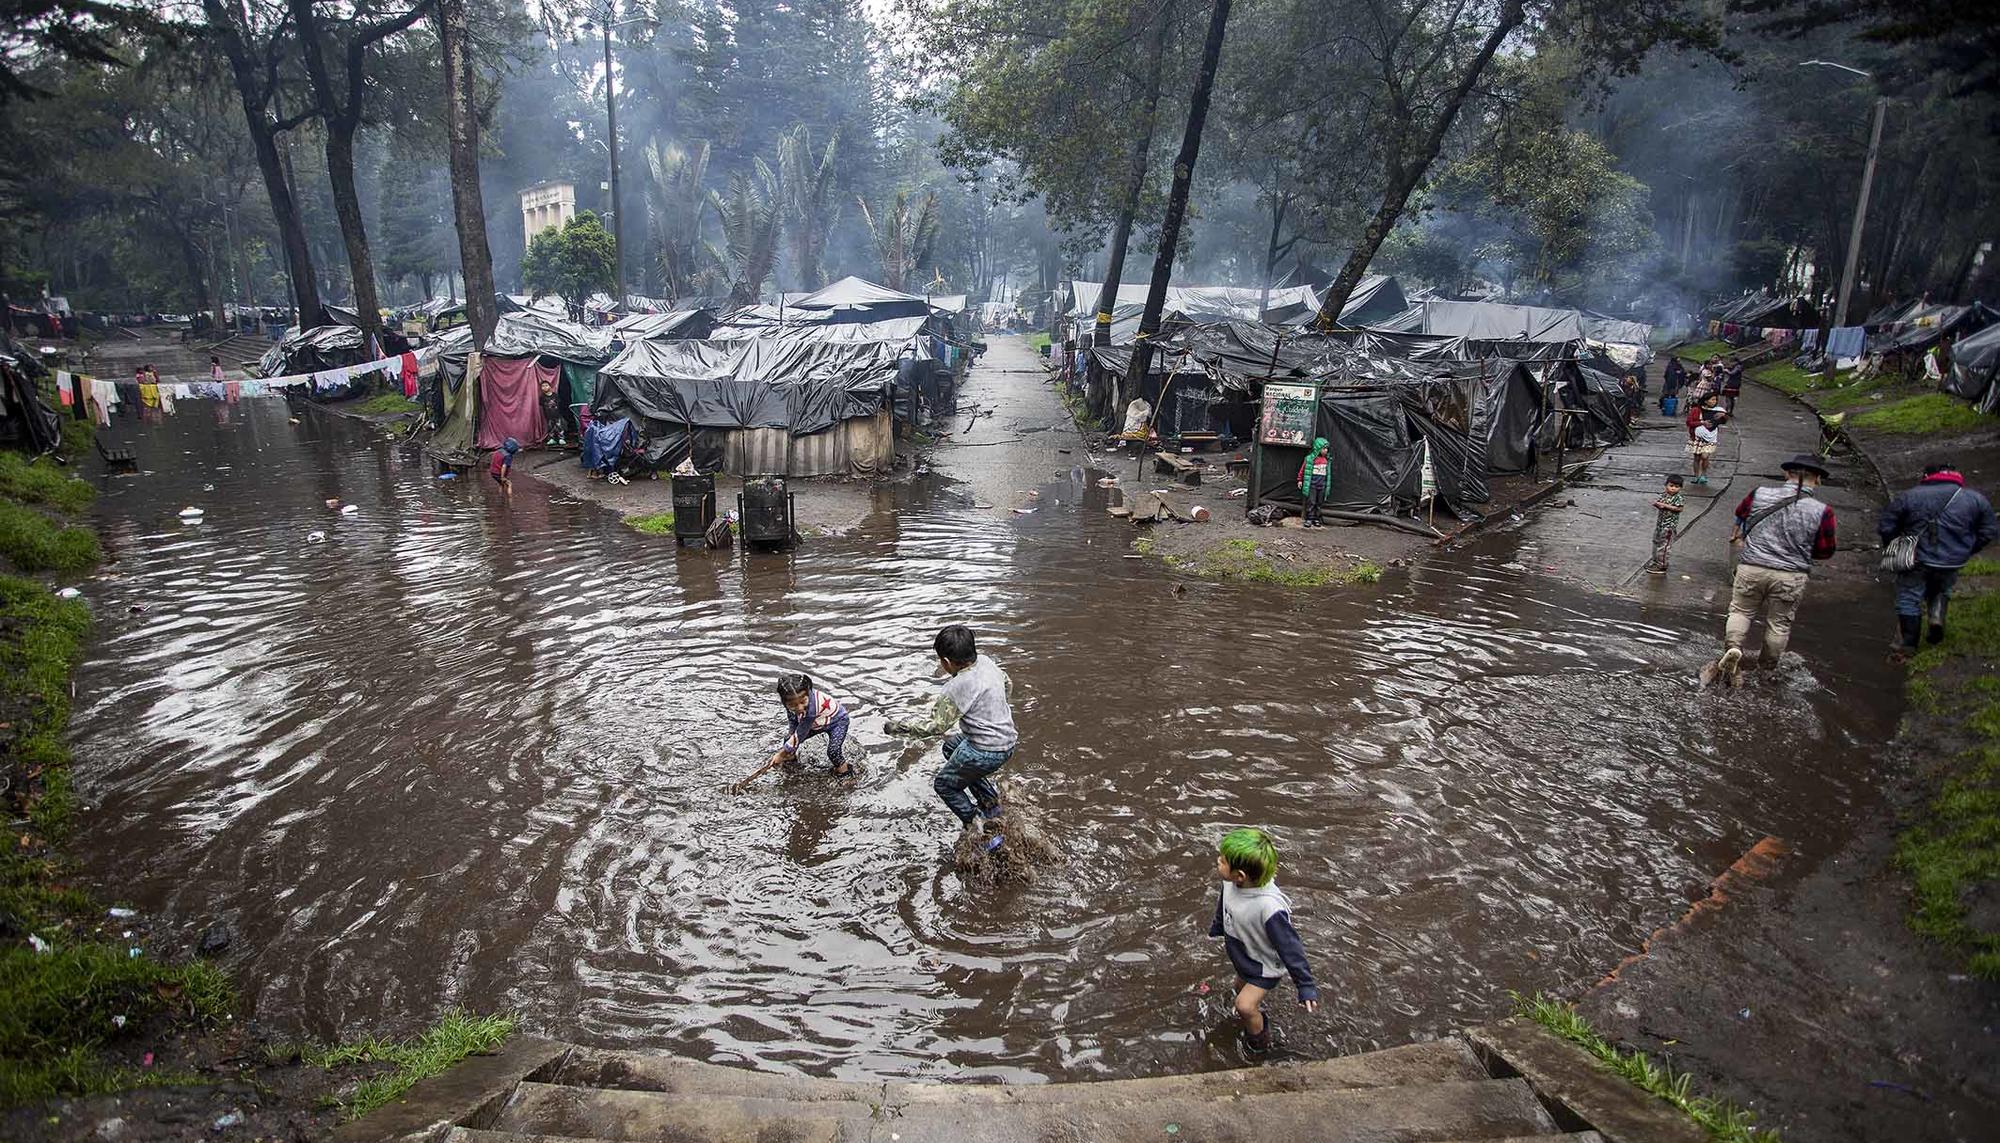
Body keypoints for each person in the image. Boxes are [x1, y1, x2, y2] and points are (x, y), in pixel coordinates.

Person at [1708, 455, 1839, 685]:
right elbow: (1825, 550)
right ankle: (1766, 670)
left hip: (1751, 567)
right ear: (1817, 480)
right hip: (1790, 574)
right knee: (1779, 623)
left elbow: (1741, 514)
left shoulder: (1759, 494)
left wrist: (1743, 534)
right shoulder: (1822, 511)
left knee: (1740, 611)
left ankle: (1733, 650)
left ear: (1786, 474)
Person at [897, 625, 1018, 850]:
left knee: (944, 785)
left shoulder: (955, 687)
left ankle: (981, 833)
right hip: (1008, 741)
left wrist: (900, 728)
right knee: (951, 748)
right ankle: (991, 805)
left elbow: (935, 727)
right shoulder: (986, 662)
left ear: (946, 662)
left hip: (986, 750)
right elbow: (1008, 683)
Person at [1208, 827, 1318, 1056]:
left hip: (1263, 966)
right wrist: (1219, 925)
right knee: (1239, 989)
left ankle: (1259, 1044)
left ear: (1240, 875)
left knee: (1244, 1005)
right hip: (1244, 955)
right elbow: (1225, 903)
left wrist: (1305, 986)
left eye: (1223, 860)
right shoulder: (1230, 883)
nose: (1217, 861)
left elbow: (1291, 947)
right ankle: (1255, 1016)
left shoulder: (1269, 908)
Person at [1878, 462, 1998, 656]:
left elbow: (1886, 526)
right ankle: (1936, 619)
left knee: (1909, 596)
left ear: (1926, 476)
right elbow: (1989, 531)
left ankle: (1908, 643)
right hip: (1953, 560)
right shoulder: (1975, 499)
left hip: (1916, 559)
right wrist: (1967, 549)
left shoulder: (1910, 496)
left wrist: (1895, 545)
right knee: (1942, 589)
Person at [764, 672, 852, 778]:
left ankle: (845, 773)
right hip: (817, 722)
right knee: (789, 739)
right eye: (793, 705)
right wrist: (790, 739)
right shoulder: (790, 704)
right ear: (784, 702)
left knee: (833, 751)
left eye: (803, 702)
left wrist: (781, 753)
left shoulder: (812, 709)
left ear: (808, 693)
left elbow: (801, 732)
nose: (799, 708)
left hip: (837, 722)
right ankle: (790, 760)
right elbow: (793, 719)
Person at [1646, 474, 1687, 574]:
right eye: (1671, 486)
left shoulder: (1678, 498)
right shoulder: (1664, 495)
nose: (1673, 489)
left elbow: (1679, 508)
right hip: (1660, 525)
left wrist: (1664, 505)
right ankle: (1655, 562)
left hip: (1669, 526)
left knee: (1664, 546)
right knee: (1656, 542)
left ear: (1680, 488)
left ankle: (1662, 565)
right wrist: (1657, 504)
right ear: (1666, 485)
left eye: (1676, 487)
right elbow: (1660, 505)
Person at [1296, 437, 1331, 529]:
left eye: (1327, 448)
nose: (1326, 450)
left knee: (1319, 503)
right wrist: (1300, 480)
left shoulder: (1327, 460)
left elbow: (1328, 474)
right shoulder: (1309, 459)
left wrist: (1327, 485)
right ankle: (1309, 518)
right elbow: (1303, 470)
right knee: (1311, 502)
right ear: (1318, 448)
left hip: (1322, 485)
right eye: (1324, 448)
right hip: (1312, 484)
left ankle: (1316, 518)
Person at [1687, 408, 1722, 485]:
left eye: (1714, 400)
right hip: (1697, 438)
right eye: (1711, 399)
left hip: (1710, 438)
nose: (1713, 402)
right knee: (1697, 457)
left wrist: (1723, 416)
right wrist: (1702, 423)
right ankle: (1696, 476)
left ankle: (1703, 474)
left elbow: (1722, 421)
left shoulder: (1716, 410)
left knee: (1705, 456)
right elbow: (1689, 422)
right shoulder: (1695, 410)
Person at [539, 376, 567, 447]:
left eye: (546, 385)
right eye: (543, 386)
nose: (545, 387)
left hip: (557, 415)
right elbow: (542, 405)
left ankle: (561, 438)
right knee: (550, 427)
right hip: (548, 416)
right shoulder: (542, 397)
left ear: (550, 386)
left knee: (559, 426)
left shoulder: (555, 395)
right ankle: (551, 439)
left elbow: (559, 404)